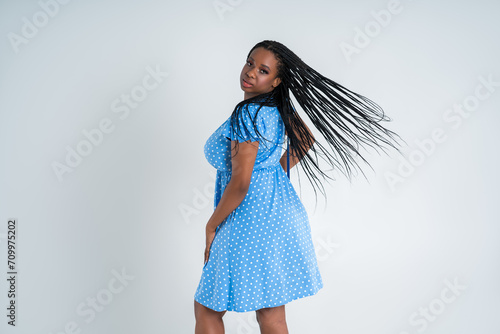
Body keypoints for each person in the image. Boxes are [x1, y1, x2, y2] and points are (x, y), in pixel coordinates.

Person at [194, 40, 404, 333]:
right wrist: (271, 175)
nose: (251, 72)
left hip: (248, 219)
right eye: (250, 62)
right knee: (271, 314)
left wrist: (211, 225)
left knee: (207, 309)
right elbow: (305, 139)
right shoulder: (277, 109)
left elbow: (241, 184)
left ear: (276, 81)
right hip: (280, 214)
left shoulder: (247, 114)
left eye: (263, 70)